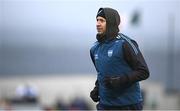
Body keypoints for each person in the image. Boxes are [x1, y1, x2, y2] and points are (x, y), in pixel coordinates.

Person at [90, 7, 150, 110]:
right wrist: (97, 88)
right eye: (97, 20)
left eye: (102, 21)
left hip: (128, 106)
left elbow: (144, 72)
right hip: (105, 105)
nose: (98, 24)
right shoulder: (94, 48)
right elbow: (102, 73)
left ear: (111, 23)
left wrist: (120, 80)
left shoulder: (125, 43)